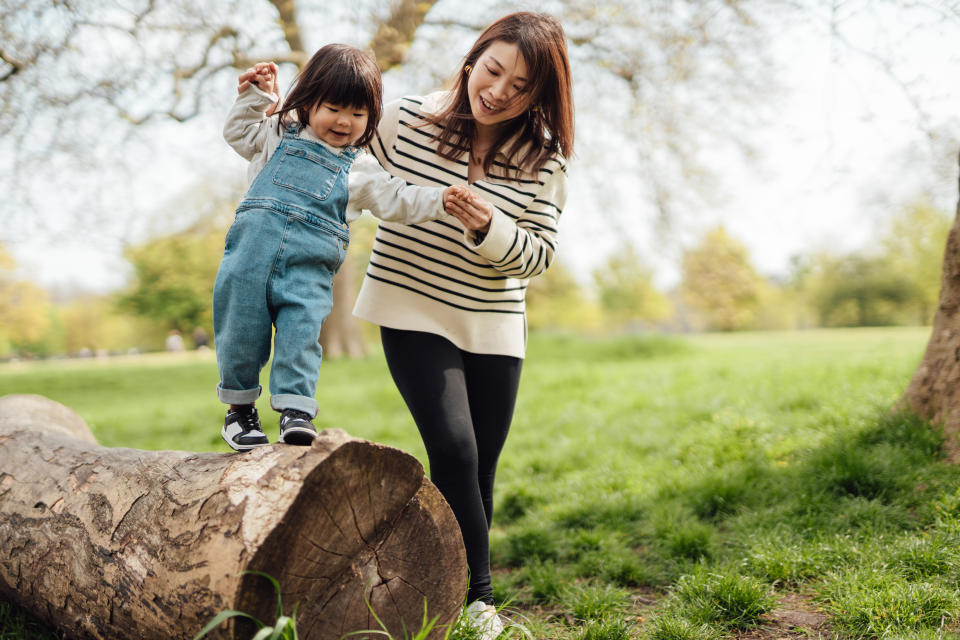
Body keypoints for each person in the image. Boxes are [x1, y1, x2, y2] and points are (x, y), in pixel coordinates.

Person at [352, 12, 575, 636]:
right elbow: (337, 163)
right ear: (473, 59)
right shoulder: (401, 119)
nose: (500, 90)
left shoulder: (545, 160)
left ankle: (446, 588)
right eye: (494, 69)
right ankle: (478, 602)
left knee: (477, 471)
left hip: (495, 323)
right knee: (453, 447)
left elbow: (537, 257)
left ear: (541, 95)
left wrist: (487, 226)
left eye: (522, 85)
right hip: (411, 306)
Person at [216, 44, 472, 452]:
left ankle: (296, 411)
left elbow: (398, 199)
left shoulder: (360, 168)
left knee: (301, 335)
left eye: (358, 114)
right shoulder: (278, 131)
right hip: (249, 257)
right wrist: (257, 97)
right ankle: (240, 409)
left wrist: (441, 200)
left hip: (308, 270)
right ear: (308, 101)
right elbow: (237, 133)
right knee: (240, 331)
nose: (345, 122)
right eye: (334, 108)